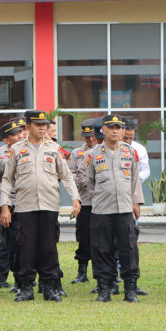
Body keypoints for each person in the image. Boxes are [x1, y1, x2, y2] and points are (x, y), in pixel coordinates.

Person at [0, 110, 81, 302]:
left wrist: (75, 199)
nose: (43, 128)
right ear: (27, 127)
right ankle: (26, 287)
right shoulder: (17, 149)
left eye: (44, 124)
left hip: (49, 205)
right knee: (25, 248)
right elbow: (6, 180)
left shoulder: (54, 148)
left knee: (48, 248)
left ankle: (49, 287)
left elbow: (66, 176)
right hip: (25, 207)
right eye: (38, 125)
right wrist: (5, 205)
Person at [85, 115, 144, 302]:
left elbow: (135, 180)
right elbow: (89, 182)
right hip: (102, 210)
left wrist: (135, 202)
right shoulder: (93, 154)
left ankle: (130, 289)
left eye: (119, 128)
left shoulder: (129, 152)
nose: (116, 131)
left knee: (128, 248)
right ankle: (104, 288)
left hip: (124, 209)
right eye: (112, 128)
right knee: (101, 249)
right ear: (103, 129)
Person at [0, 119, 26, 291]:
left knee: (25, 242)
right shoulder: (1, 155)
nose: (20, 135)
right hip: (8, 204)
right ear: (6, 139)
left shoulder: (28, 149)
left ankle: (24, 278)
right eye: (15, 134)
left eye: (21, 132)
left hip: (26, 202)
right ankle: (0, 278)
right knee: (6, 243)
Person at [68, 119, 97, 284]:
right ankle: (82, 272)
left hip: (104, 203)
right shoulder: (77, 153)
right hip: (85, 200)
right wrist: (81, 181)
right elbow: (69, 174)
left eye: (92, 135)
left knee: (106, 239)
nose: (90, 139)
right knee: (84, 237)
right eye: (87, 137)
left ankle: (107, 272)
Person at [121, 119, 149, 296]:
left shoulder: (138, 149)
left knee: (130, 241)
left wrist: (135, 179)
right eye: (126, 138)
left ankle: (132, 282)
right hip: (109, 202)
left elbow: (145, 169)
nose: (129, 142)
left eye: (131, 138)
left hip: (131, 197)